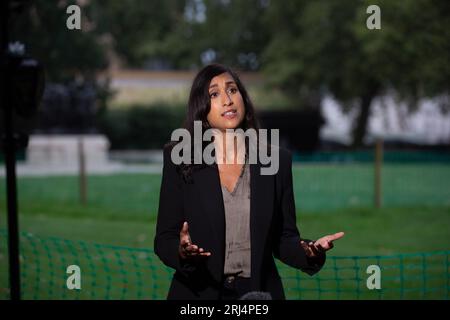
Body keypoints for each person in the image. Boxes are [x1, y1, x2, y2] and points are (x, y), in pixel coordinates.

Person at [154, 64, 344, 300]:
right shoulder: (179, 159)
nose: (227, 100)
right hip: (197, 295)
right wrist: (181, 253)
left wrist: (310, 251)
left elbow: (284, 239)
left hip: (257, 295)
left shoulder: (277, 162)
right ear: (201, 110)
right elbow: (164, 239)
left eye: (232, 90)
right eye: (214, 94)